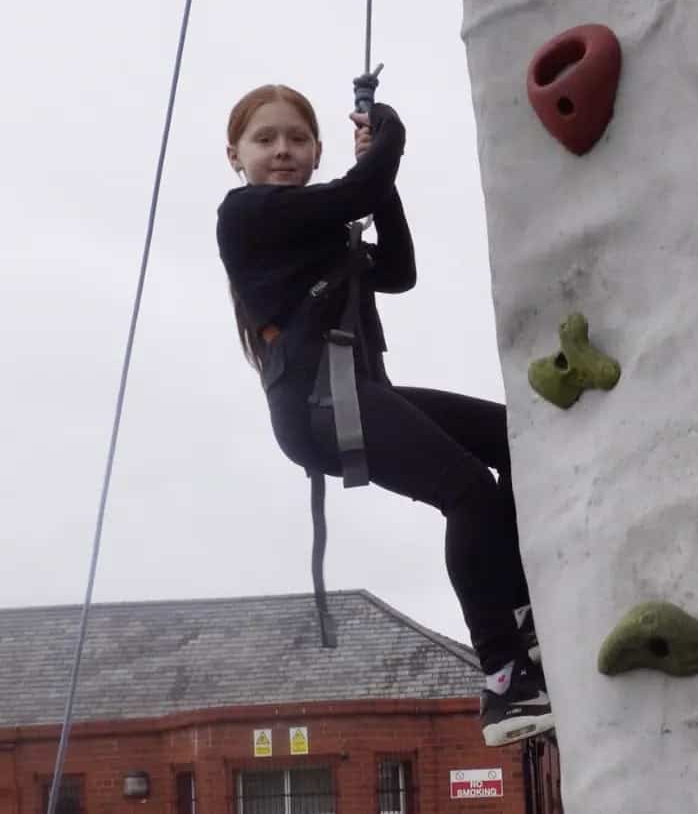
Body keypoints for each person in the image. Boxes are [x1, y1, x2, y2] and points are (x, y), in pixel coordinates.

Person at [216, 83, 553, 746]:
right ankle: (503, 679)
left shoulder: (319, 231)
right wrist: (390, 135)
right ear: (236, 155)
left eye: (296, 138)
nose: (282, 149)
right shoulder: (247, 214)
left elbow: (398, 269)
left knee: (515, 437)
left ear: (315, 151)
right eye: (266, 139)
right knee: (467, 490)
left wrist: (380, 175)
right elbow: (352, 196)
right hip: (317, 401)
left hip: (355, 393)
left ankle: (521, 612)